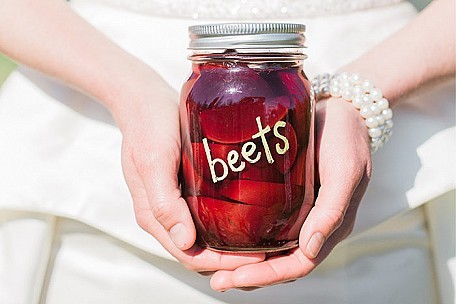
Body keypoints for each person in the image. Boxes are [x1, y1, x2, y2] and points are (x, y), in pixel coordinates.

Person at [0, 0, 454, 303]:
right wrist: (127, 92)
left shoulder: (290, 87)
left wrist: (358, 99)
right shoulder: (203, 87)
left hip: (389, 108)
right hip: (93, 100)